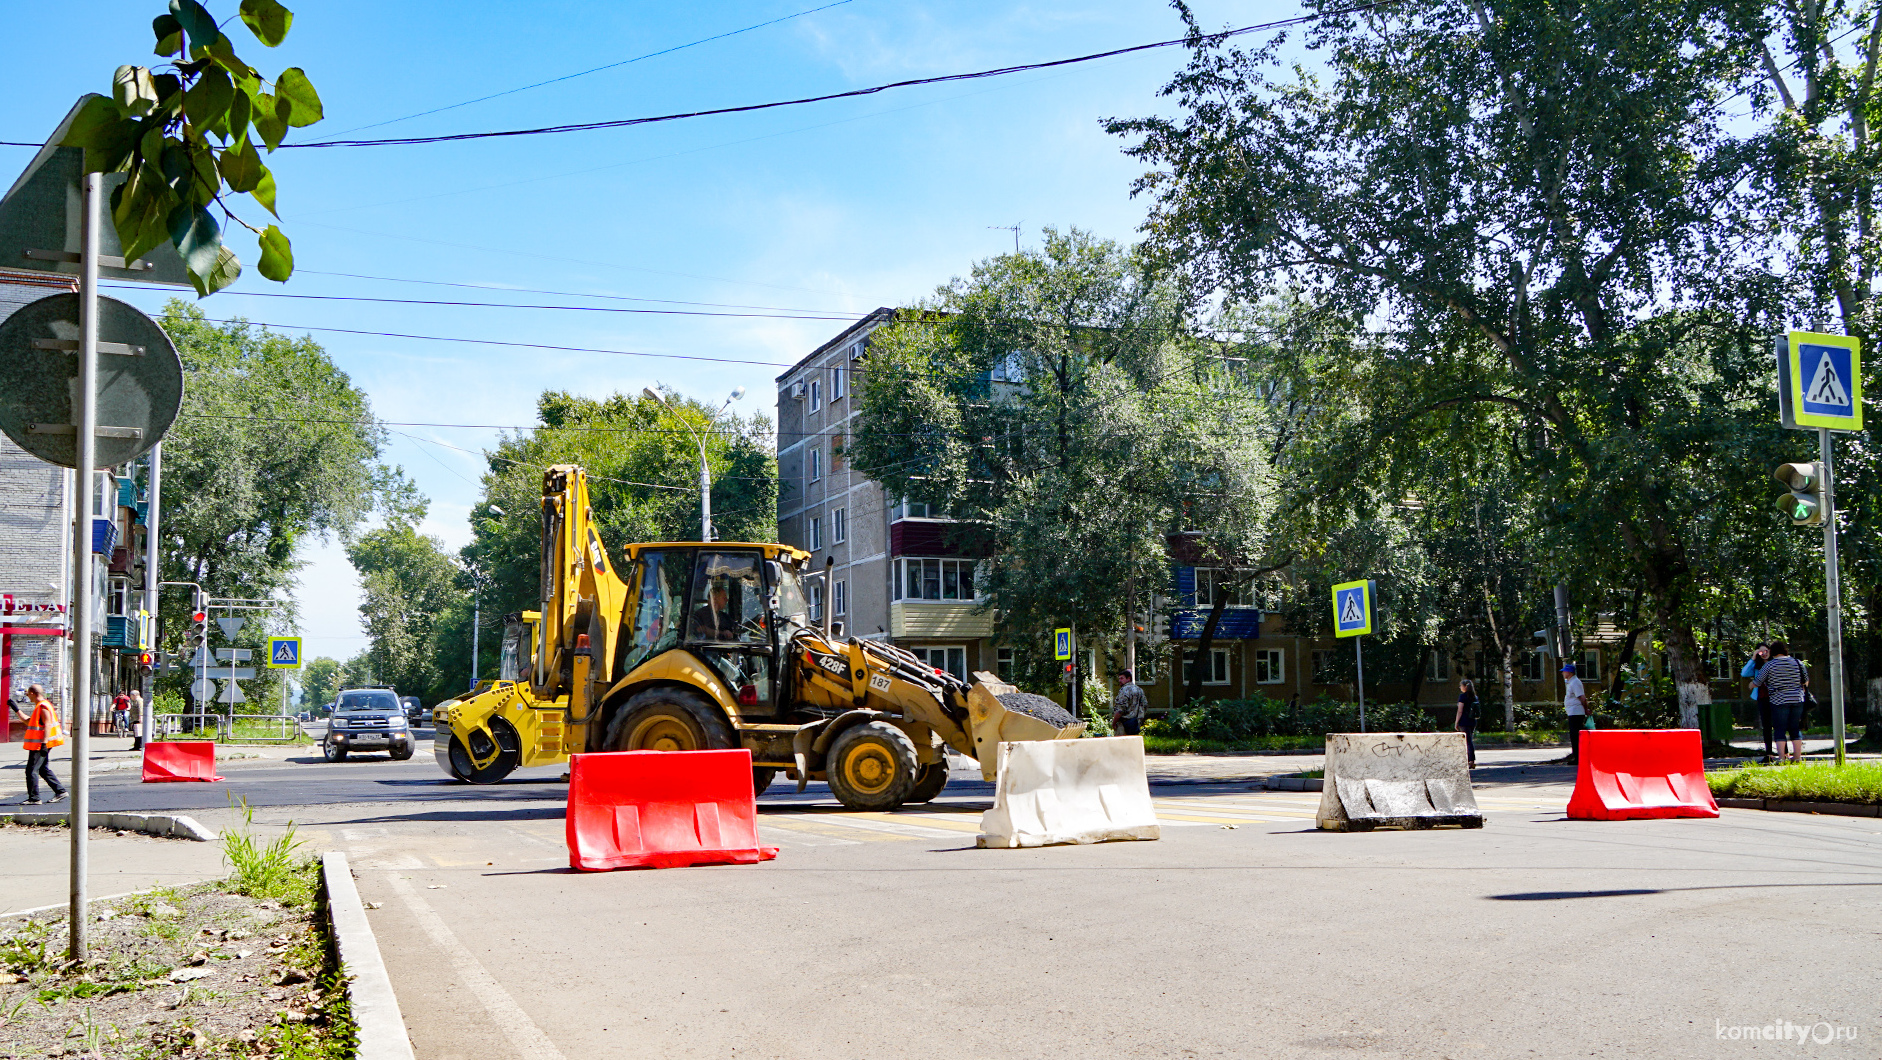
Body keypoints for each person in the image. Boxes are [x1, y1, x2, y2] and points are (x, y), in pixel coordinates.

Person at [1754, 640, 1809, 765]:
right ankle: (1797, 758)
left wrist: (1751, 685)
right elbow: (1805, 681)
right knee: (1795, 728)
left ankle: (1782, 759)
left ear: (1772, 652)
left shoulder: (1769, 665)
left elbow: (1758, 681)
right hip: (1797, 699)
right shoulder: (1797, 662)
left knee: (1780, 728)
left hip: (1779, 700)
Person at [13, 685, 67, 805]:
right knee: (42, 768)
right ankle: (60, 791)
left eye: (28, 693)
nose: (27, 695)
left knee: (31, 770)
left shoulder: (43, 706)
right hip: (39, 743)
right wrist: (16, 709)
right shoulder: (40, 706)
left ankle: (34, 798)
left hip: (40, 744)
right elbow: (29, 721)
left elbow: (47, 725)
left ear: (32, 693)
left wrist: (44, 743)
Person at [1741, 643, 1772, 760]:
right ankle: (1769, 753)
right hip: (1762, 697)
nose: (1764, 654)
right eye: (1760, 652)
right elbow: (1744, 673)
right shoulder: (1757, 666)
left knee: (1780, 725)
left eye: (1766, 651)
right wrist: (1753, 658)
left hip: (1776, 697)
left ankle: (1784, 752)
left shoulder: (1775, 663)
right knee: (1766, 726)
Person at [1562, 662, 1588, 759]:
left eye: (1564, 671)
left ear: (1569, 672)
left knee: (1576, 736)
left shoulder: (1575, 682)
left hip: (1576, 712)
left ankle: (1578, 757)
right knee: (1574, 736)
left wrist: (1586, 709)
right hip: (1573, 712)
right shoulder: (1571, 682)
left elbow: (1582, 697)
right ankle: (1576, 756)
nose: (1563, 673)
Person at [1111, 669, 1148, 736]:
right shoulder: (1139, 690)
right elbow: (1144, 705)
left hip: (1123, 724)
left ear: (1128, 679)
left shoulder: (1124, 690)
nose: (1120, 681)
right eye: (1119, 679)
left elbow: (1120, 709)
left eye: (1122, 678)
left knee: (1121, 745)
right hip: (1135, 724)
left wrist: (1114, 722)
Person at [1455, 677, 1479, 768]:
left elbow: (1460, 710)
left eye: (1461, 685)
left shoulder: (1462, 696)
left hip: (1464, 721)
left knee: (1467, 741)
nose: (1460, 687)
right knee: (1470, 740)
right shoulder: (1475, 697)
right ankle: (1471, 760)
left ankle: (1470, 761)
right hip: (1472, 721)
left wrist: (1456, 722)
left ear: (1465, 687)